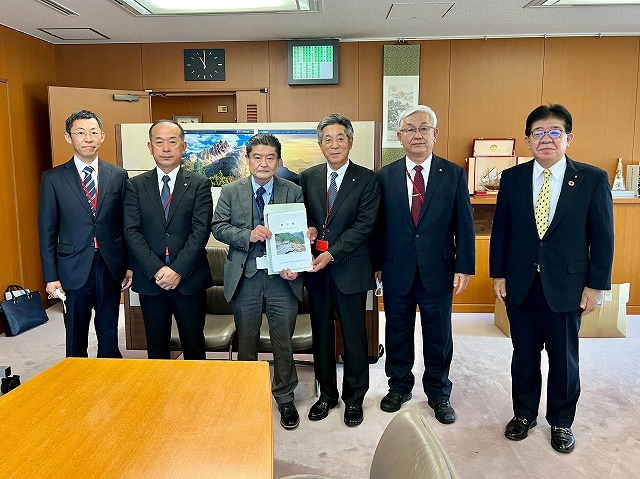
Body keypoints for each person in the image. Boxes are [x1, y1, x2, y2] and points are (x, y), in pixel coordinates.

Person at [490, 104, 614, 453]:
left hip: (568, 286)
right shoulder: (512, 178)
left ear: (568, 138)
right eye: (538, 133)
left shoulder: (592, 179)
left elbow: (603, 238)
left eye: (554, 131)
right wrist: (498, 274)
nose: (546, 139)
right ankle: (524, 414)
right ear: (528, 140)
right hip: (521, 284)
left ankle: (561, 421)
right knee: (524, 355)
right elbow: (501, 232)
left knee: (564, 359)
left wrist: (595, 286)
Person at [374, 105, 475, 424]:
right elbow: (378, 226)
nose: (417, 135)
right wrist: (377, 263)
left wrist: (464, 266)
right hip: (396, 269)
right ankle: (399, 387)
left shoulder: (453, 174)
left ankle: (439, 392)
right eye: (410, 129)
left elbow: (465, 224)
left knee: (438, 336)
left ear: (435, 134)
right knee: (397, 331)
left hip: (439, 269)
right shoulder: (385, 176)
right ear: (400, 136)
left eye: (423, 128)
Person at [211, 133, 304, 431]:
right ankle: (246, 393)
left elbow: (301, 231)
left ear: (278, 160)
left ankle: (285, 396)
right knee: (247, 340)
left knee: (283, 340)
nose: (263, 163)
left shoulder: (293, 191)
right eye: (257, 157)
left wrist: (295, 264)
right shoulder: (230, 191)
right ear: (248, 159)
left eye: (270, 158)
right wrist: (247, 235)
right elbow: (218, 227)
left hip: (282, 279)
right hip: (245, 276)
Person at [299, 113, 380, 427]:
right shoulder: (308, 177)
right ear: (320, 145)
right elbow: (304, 214)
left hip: (350, 269)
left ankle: (354, 398)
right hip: (316, 272)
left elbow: (365, 225)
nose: (334, 145)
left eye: (340, 138)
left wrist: (331, 253)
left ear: (350, 142)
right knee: (321, 337)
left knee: (354, 338)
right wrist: (307, 228)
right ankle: (327, 395)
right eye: (327, 139)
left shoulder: (368, 179)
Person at [38, 110, 132, 358]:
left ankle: (110, 375)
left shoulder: (118, 175)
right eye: (80, 132)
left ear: (102, 136)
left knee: (109, 331)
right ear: (69, 137)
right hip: (72, 266)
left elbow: (127, 225)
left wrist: (129, 265)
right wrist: (51, 276)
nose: (88, 138)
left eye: (93, 132)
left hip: (110, 265)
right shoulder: (53, 178)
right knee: (75, 334)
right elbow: (47, 231)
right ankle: (76, 377)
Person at [124, 120, 213, 360]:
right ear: (150, 147)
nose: (165, 148)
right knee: (156, 348)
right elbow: (132, 231)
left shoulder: (199, 184)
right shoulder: (134, 185)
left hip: (189, 279)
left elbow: (200, 232)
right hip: (151, 281)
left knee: (194, 346)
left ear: (183, 147)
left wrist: (177, 271)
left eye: (172, 142)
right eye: (159, 142)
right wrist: (157, 269)